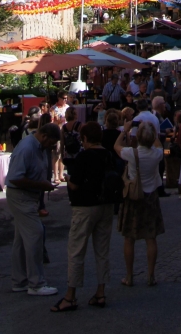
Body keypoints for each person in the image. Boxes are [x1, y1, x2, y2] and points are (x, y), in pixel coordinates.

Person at [50, 122, 118, 312]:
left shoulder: (84, 156)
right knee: (102, 251)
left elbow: (74, 185)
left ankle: (70, 296)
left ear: (85, 139)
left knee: (76, 250)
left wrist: (69, 179)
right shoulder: (109, 155)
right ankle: (100, 292)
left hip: (85, 206)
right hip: (106, 204)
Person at [5, 121, 60, 295]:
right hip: (21, 196)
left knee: (22, 238)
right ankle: (36, 283)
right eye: (50, 143)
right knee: (35, 234)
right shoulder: (27, 148)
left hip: (28, 195)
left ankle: (20, 280)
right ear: (44, 137)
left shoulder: (38, 147)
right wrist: (40, 184)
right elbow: (15, 177)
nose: (50, 147)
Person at [115, 121, 164, 286]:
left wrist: (125, 130)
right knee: (151, 238)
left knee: (129, 238)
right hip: (151, 196)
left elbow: (116, 146)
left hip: (133, 197)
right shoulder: (157, 154)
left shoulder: (131, 153)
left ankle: (129, 276)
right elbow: (159, 144)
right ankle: (151, 275)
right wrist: (153, 132)